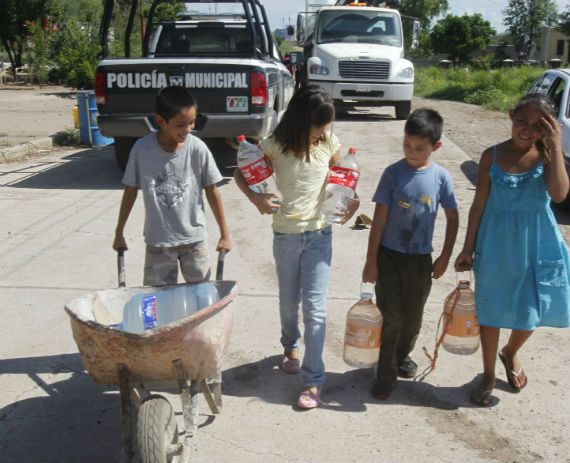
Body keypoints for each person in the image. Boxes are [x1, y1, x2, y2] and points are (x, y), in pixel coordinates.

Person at [233, 86, 359, 409]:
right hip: (286, 236)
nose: (323, 132)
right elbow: (241, 173)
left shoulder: (329, 144)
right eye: (319, 125)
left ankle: (313, 381)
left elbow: (343, 179)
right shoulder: (274, 145)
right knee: (289, 303)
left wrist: (351, 201)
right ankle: (290, 345)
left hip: (320, 235)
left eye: (327, 125)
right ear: (302, 120)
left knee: (315, 311)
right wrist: (257, 198)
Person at [454, 93, 570, 406]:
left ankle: (511, 351)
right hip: (496, 245)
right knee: (490, 309)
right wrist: (467, 248)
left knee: (533, 310)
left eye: (537, 126)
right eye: (522, 122)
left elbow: (559, 194)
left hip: (538, 243)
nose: (527, 130)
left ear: (548, 128)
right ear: (510, 117)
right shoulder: (491, 156)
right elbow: (478, 206)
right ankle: (489, 372)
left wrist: (557, 145)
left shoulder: (547, 155)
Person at [362, 108, 459, 400]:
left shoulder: (441, 177)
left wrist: (444, 256)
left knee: (412, 317)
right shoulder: (393, 173)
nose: (411, 152)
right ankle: (386, 372)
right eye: (407, 145)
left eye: (419, 148)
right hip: (389, 256)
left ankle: (403, 355)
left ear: (435, 147)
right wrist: (371, 261)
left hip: (420, 260)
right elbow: (378, 220)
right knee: (390, 316)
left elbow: (453, 218)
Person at [113, 86, 231, 286]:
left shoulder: (197, 149)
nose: (188, 130)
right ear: (160, 121)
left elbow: (212, 191)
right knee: (158, 303)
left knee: (201, 298)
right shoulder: (143, 149)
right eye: (180, 125)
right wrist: (119, 232)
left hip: (194, 241)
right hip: (159, 242)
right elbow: (130, 191)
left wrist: (225, 234)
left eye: (192, 123)